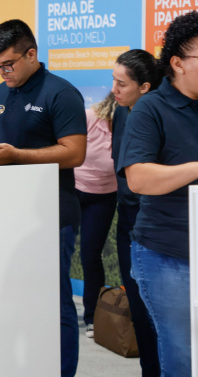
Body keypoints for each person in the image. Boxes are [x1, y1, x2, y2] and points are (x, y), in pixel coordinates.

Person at [0, 19, 87, 377]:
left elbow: (74, 153)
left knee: (55, 302)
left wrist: (17, 156)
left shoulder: (61, 93)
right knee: (14, 301)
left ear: (31, 54)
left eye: (8, 64)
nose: (3, 72)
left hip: (52, 216)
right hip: (6, 215)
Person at [118, 11, 198, 376]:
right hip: (168, 255)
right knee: (183, 358)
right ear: (177, 63)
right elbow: (139, 178)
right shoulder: (151, 108)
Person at [111, 49, 162, 376]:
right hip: (127, 216)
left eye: (122, 83)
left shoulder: (159, 115)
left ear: (144, 87)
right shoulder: (121, 112)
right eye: (113, 81)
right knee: (139, 310)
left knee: (156, 312)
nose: (114, 89)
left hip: (153, 220)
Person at [73, 92, 118, 338]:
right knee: (57, 250)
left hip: (104, 197)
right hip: (74, 189)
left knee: (91, 255)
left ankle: (93, 317)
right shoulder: (90, 118)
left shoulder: (129, 128)